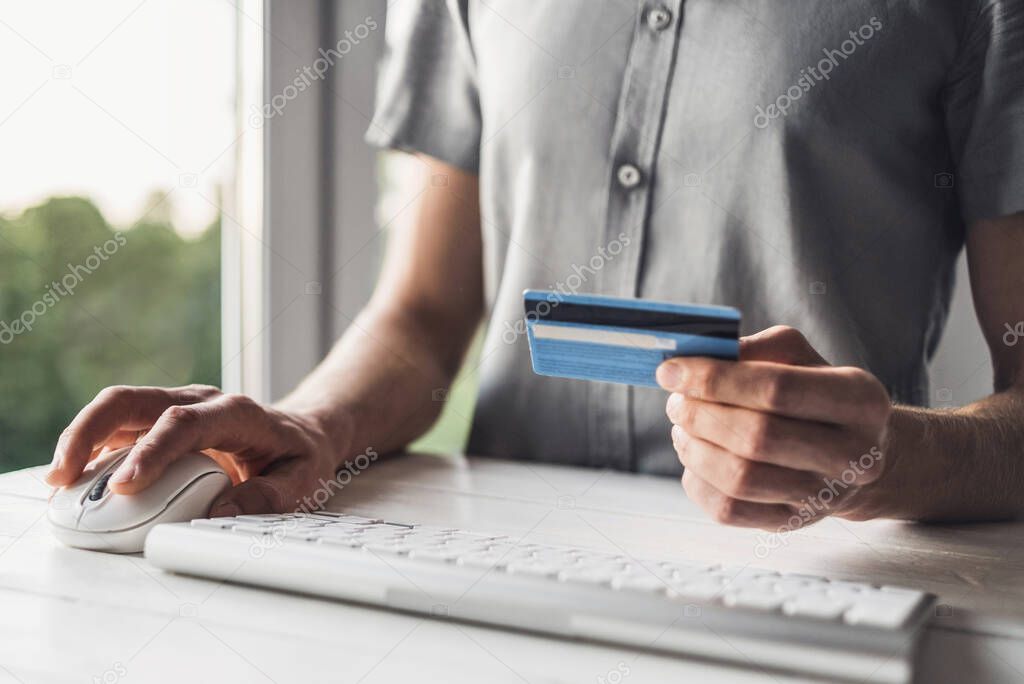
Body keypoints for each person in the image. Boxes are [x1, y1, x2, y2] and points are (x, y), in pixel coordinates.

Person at [46, 1, 1024, 530]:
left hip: (819, 592)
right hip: (503, 566)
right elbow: (425, 313)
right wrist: (312, 422)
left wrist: (891, 460)